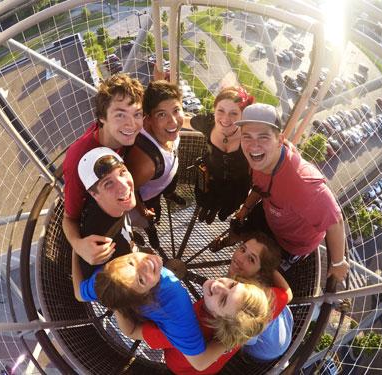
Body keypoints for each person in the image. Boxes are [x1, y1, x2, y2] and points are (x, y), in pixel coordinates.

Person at [72, 251, 272, 373]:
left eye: (222, 299)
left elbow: (132, 331)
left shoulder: (178, 320)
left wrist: (118, 303)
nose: (220, 286)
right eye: (233, 284)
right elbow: (284, 295)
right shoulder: (246, 316)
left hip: (180, 368)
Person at [233, 103, 349, 282]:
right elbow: (261, 185)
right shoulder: (261, 158)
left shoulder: (303, 184)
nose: (253, 145)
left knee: (260, 276)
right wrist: (246, 208)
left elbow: (336, 220)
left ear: (279, 140)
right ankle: (231, 240)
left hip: (290, 243)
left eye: (263, 137)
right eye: (247, 136)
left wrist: (338, 262)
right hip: (271, 215)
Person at [62, 74, 144, 267]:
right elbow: (69, 217)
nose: (131, 124)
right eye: (120, 115)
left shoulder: (124, 135)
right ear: (101, 118)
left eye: (137, 114)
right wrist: (79, 245)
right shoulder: (79, 159)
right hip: (100, 224)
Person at [125, 80, 186, 249]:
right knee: (151, 218)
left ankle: (169, 194)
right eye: (162, 114)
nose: (173, 122)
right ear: (148, 120)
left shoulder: (168, 132)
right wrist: (142, 211)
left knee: (159, 203)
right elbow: (129, 189)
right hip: (146, 198)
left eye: (176, 110)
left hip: (160, 182)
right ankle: (151, 232)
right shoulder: (147, 164)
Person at [187, 86, 254, 224]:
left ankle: (216, 210)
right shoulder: (208, 123)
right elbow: (184, 121)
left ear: (243, 115)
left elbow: (271, 144)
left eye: (234, 113)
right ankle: (206, 208)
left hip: (236, 185)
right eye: (221, 111)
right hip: (210, 176)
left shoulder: (249, 136)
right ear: (214, 109)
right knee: (205, 198)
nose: (225, 119)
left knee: (223, 209)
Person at [228, 232, 294, 362]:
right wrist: (267, 267)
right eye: (242, 249)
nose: (239, 258)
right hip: (284, 325)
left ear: (261, 272)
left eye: (251, 259)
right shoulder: (260, 285)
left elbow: (244, 339)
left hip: (267, 351)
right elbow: (288, 295)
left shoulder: (247, 306)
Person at [76, 147, 137, 279]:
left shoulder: (113, 204)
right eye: (108, 183)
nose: (124, 186)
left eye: (122, 172)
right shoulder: (102, 245)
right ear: (94, 194)